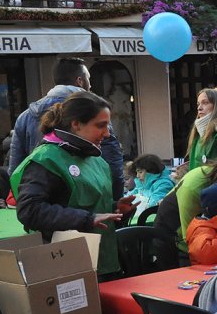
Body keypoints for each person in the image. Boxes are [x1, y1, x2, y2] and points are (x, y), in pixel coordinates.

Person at [10, 92, 137, 278]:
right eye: (100, 126)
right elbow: (29, 210)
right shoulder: (45, 159)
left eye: (108, 126)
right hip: (65, 264)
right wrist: (87, 218)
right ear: (76, 124)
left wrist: (116, 209)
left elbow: (89, 205)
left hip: (104, 262)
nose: (107, 133)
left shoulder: (96, 160)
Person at [9, 57, 124, 199]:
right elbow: (112, 160)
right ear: (80, 81)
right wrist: (115, 202)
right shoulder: (93, 111)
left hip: (38, 200)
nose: (105, 133)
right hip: (86, 204)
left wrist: (24, 198)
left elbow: (15, 170)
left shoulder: (24, 117)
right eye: (88, 78)